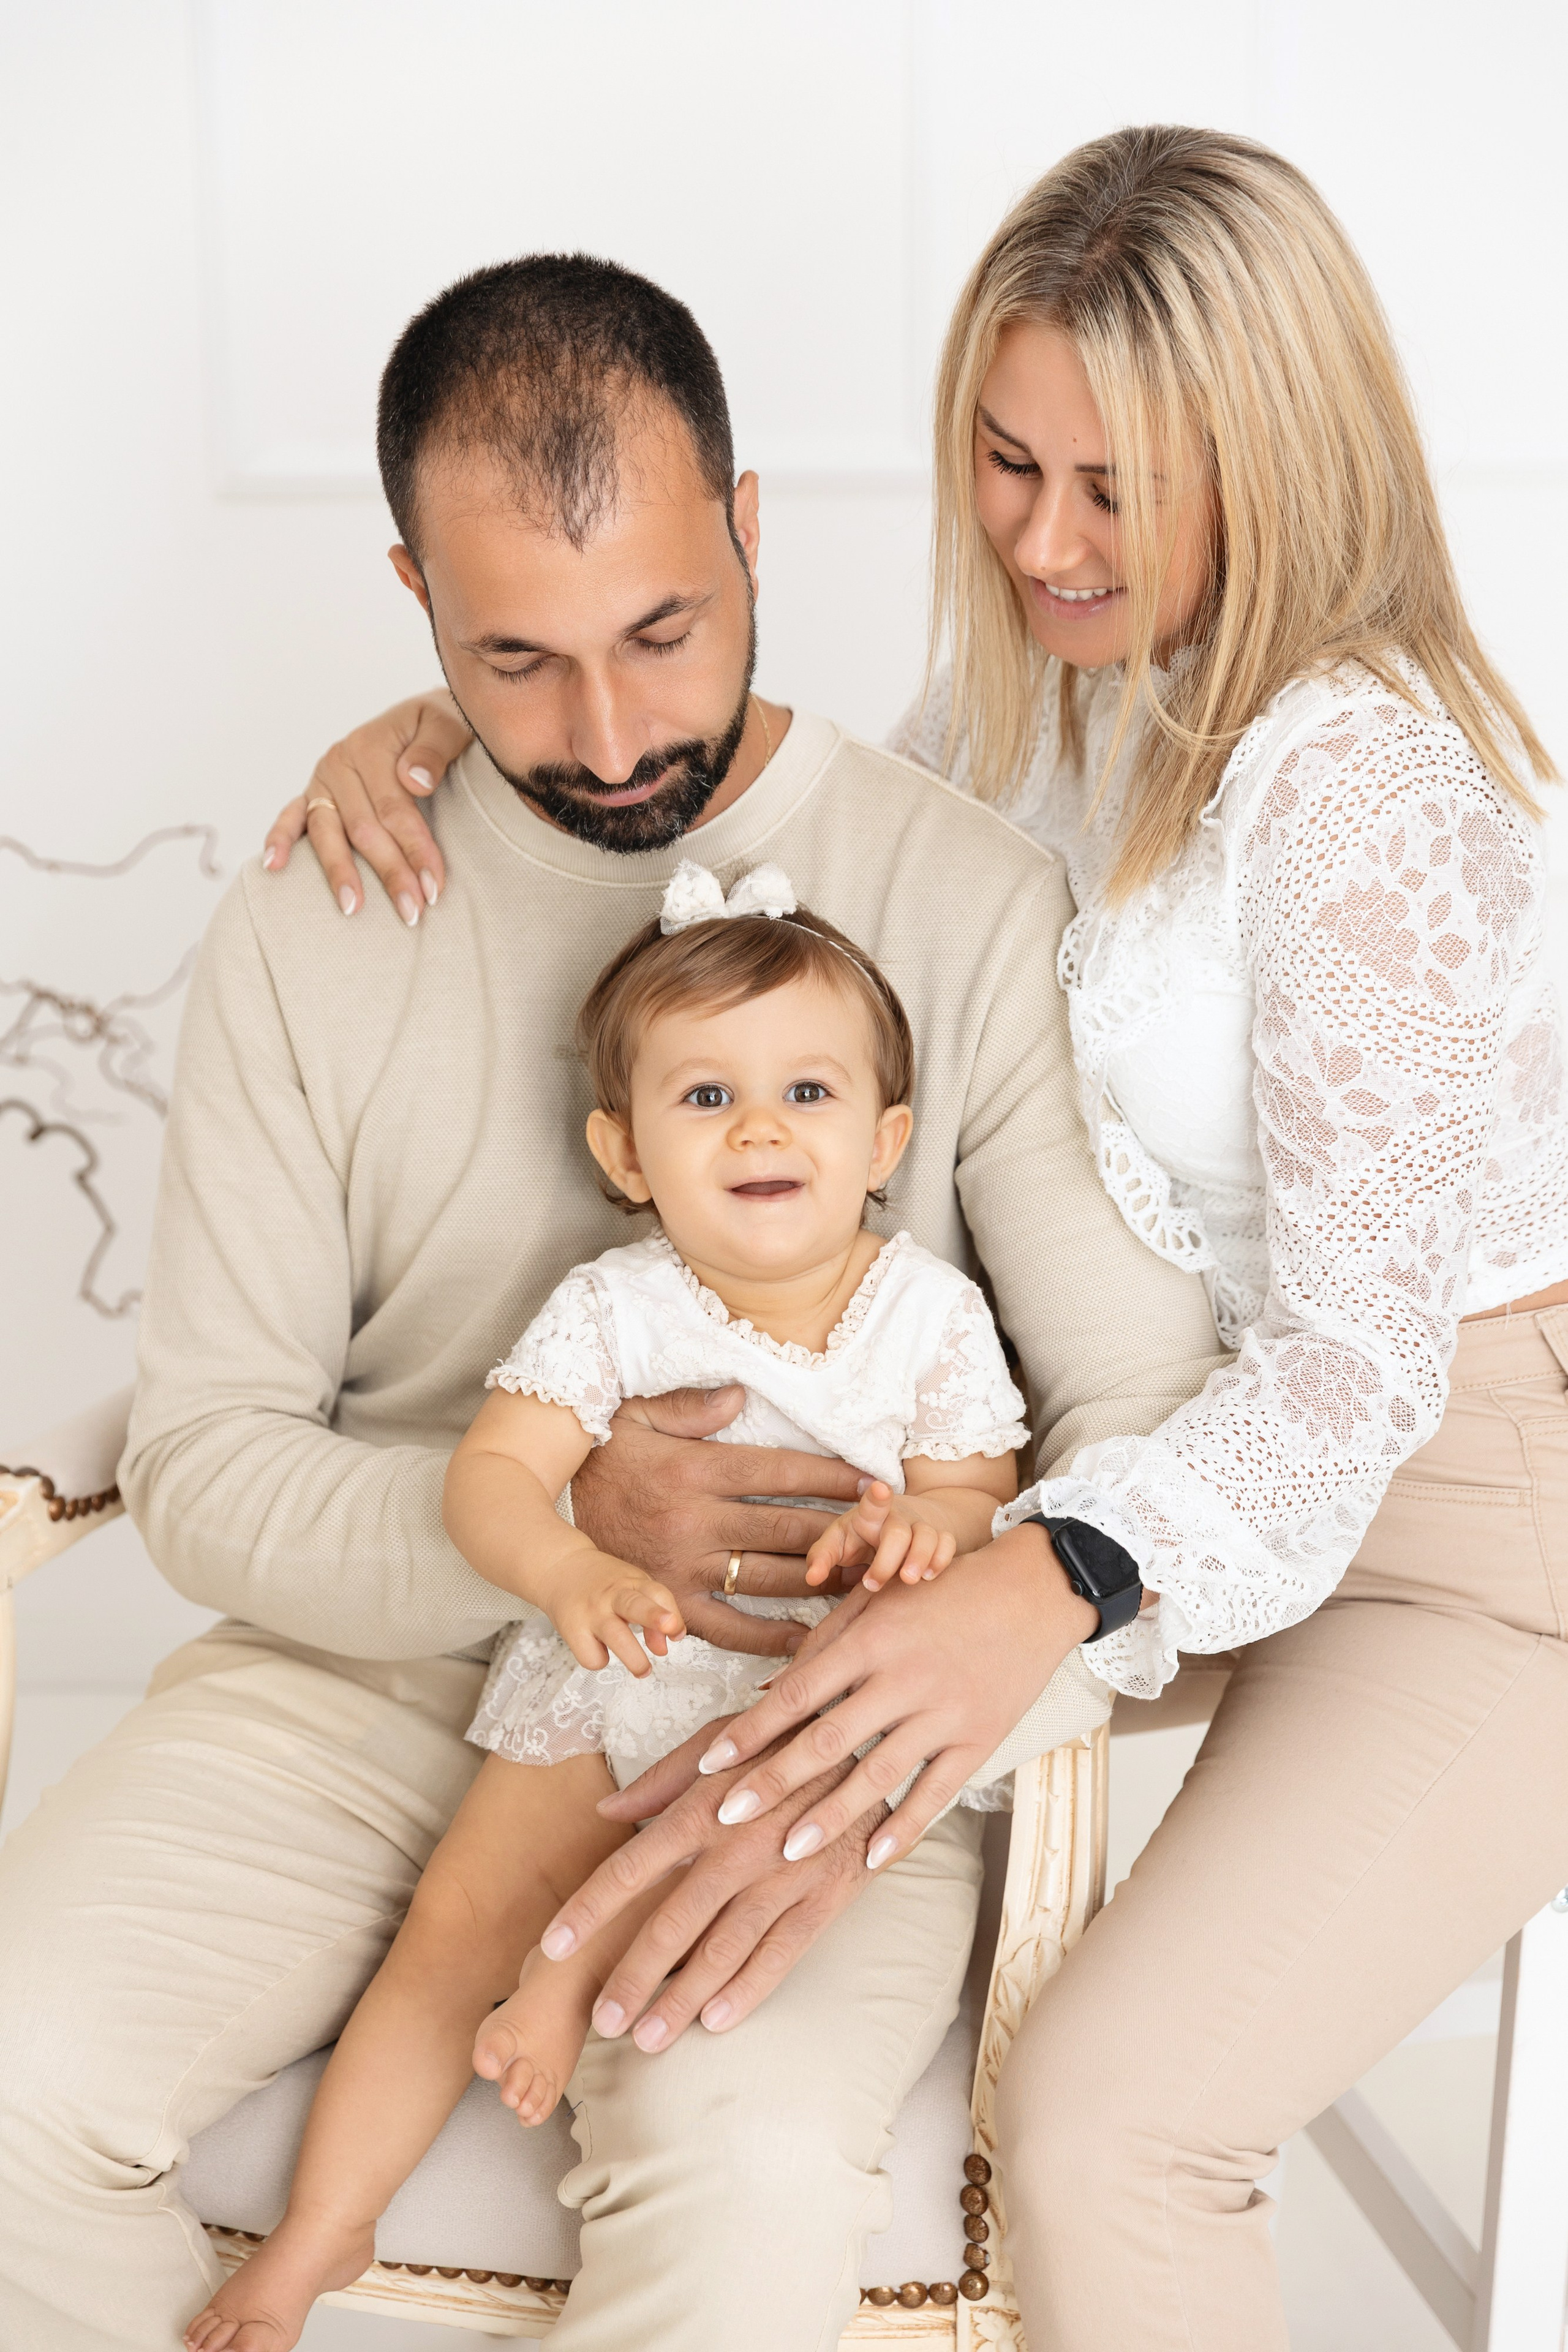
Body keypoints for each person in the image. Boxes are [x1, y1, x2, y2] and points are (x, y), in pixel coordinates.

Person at [295, 134, 1568, 2351]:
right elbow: (767, 909)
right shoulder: (1036, 689)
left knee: (1110, 2126)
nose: (1048, 543)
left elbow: (1356, 1373)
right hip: (1148, 1451)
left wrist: (1042, 1582)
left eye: (1119, 486)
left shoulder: (1354, 775)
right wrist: (448, 734)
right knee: (705, 1787)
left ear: (1276, 462)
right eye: (1006, 462)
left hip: (1463, 1521)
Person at [0, 252, 1223, 2352]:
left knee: (738, 2174)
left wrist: (898, 1731)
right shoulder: (319, 910)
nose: (614, 732)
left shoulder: (964, 889)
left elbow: (1142, 1416)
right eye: (517, 660)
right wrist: (555, 1542)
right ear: (412, 596)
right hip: (356, 1686)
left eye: (663, 630)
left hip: (801, 1710)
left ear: (753, 524)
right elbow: (206, 1459)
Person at [187, 867, 1057, 2352]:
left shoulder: (928, 1312)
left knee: (693, 1879)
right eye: (704, 1097)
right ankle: (322, 2231)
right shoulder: (613, 1307)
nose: (761, 1126)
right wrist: (566, 1567)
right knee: (450, 1928)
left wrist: (928, 1525)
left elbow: (978, 1487)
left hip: (796, 1714)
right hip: (606, 1679)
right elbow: (493, 1477)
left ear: (884, 1139)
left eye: (804, 1089)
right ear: (626, 1150)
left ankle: (562, 1989)